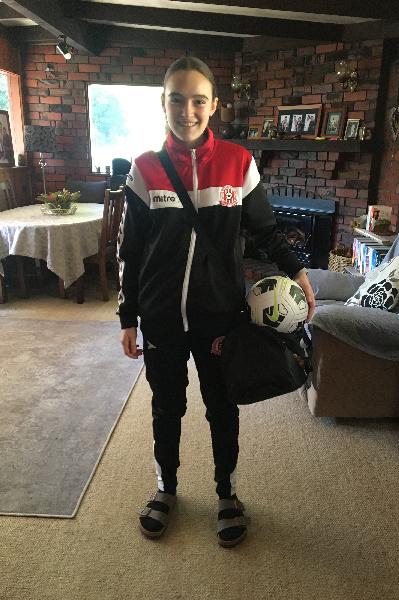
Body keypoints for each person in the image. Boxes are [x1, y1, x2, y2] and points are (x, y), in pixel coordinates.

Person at [117, 56, 315, 547]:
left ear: (213, 105)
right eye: (177, 100)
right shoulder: (144, 168)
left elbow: (266, 231)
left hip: (220, 318)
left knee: (222, 407)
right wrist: (127, 317)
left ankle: (227, 493)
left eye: (198, 100)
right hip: (161, 318)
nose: (187, 111)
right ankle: (166, 488)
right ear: (163, 103)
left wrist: (298, 272)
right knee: (166, 407)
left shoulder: (237, 162)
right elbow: (130, 252)